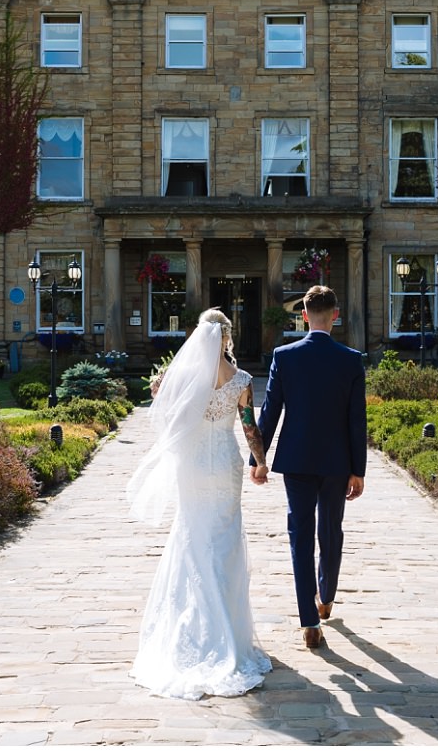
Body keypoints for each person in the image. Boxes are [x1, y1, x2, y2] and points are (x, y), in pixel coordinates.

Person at [126, 309, 273, 699]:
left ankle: (192, 627)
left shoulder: (187, 376)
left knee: (192, 538)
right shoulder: (241, 380)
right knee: (224, 540)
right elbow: (249, 428)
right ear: (227, 338)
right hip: (225, 464)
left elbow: (161, 397)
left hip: (192, 467)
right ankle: (226, 629)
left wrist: (163, 386)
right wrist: (260, 461)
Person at [253, 285, 366, 649]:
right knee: (331, 530)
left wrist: (258, 459)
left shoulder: (284, 356)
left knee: (300, 537)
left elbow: (270, 411)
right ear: (335, 315)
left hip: (297, 460)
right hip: (336, 462)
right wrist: (358, 469)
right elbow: (356, 420)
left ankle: (309, 621)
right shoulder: (350, 359)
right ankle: (327, 596)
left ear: (303, 315)